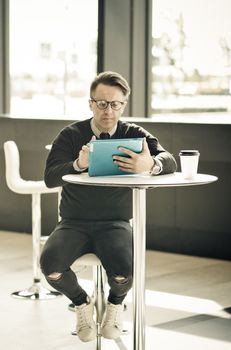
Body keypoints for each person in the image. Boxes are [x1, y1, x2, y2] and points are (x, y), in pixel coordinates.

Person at [40, 71, 177, 343]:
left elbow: (169, 159)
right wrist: (78, 165)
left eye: (115, 104)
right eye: (101, 103)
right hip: (73, 222)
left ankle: (115, 305)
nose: (108, 110)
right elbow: (50, 177)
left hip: (115, 223)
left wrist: (150, 165)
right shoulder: (70, 135)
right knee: (51, 267)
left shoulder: (134, 134)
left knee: (125, 273)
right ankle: (82, 303)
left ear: (123, 105)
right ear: (90, 103)